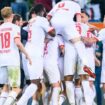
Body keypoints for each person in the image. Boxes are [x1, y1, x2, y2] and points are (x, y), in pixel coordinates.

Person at [47, 0, 95, 104]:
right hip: (83, 51)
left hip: (68, 51)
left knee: (68, 80)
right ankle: (88, 103)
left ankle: (72, 103)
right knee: (84, 81)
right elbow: (90, 39)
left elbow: (49, 18)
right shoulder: (85, 26)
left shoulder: (60, 6)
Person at [17, 4, 56, 105]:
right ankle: (20, 103)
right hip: (35, 53)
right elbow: (53, 33)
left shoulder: (30, 21)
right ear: (42, 11)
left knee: (30, 82)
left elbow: (23, 32)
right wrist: (50, 25)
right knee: (35, 83)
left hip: (26, 52)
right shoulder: (42, 20)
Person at [0, 7, 31, 105]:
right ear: (12, 15)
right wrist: (27, 54)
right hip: (12, 60)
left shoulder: (0, 28)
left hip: (2, 60)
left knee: (5, 87)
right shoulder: (15, 27)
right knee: (16, 89)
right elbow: (18, 43)